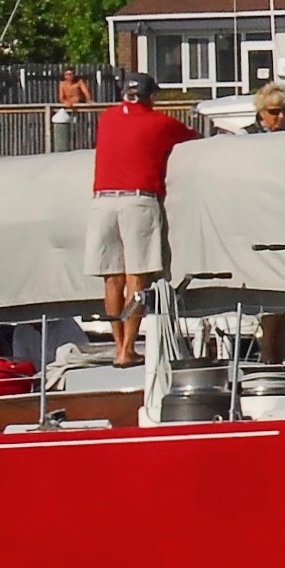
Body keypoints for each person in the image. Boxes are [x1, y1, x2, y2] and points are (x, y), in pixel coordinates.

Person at [88, 75, 197, 367]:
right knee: (137, 277)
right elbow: (193, 138)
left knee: (112, 279)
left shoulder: (107, 118)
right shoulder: (161, 123)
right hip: (138, 200)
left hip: (102, 200)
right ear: (151, 97)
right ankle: (128, 349)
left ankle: (117, 347)